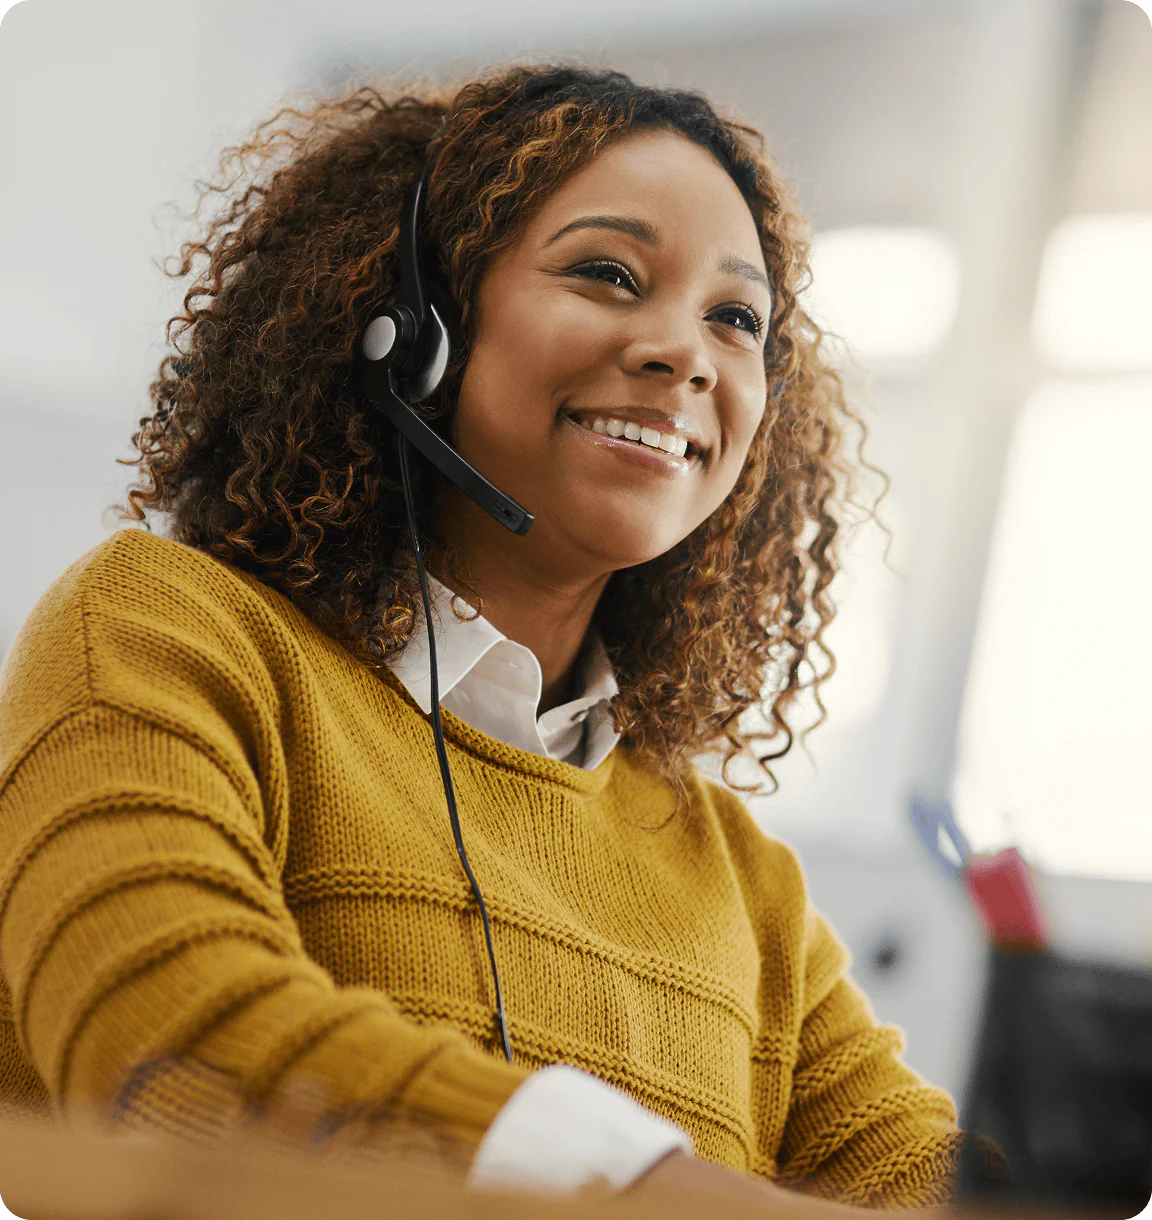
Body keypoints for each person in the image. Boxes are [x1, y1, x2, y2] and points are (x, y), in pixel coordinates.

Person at [0, 65, 966, 1209]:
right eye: (608, 274)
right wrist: (642, 1186)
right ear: (410, 328)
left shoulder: (738, 873)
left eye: (736, 318)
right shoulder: (163, 630)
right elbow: (172, 1042)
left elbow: (926, 1183)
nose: (686, 353)